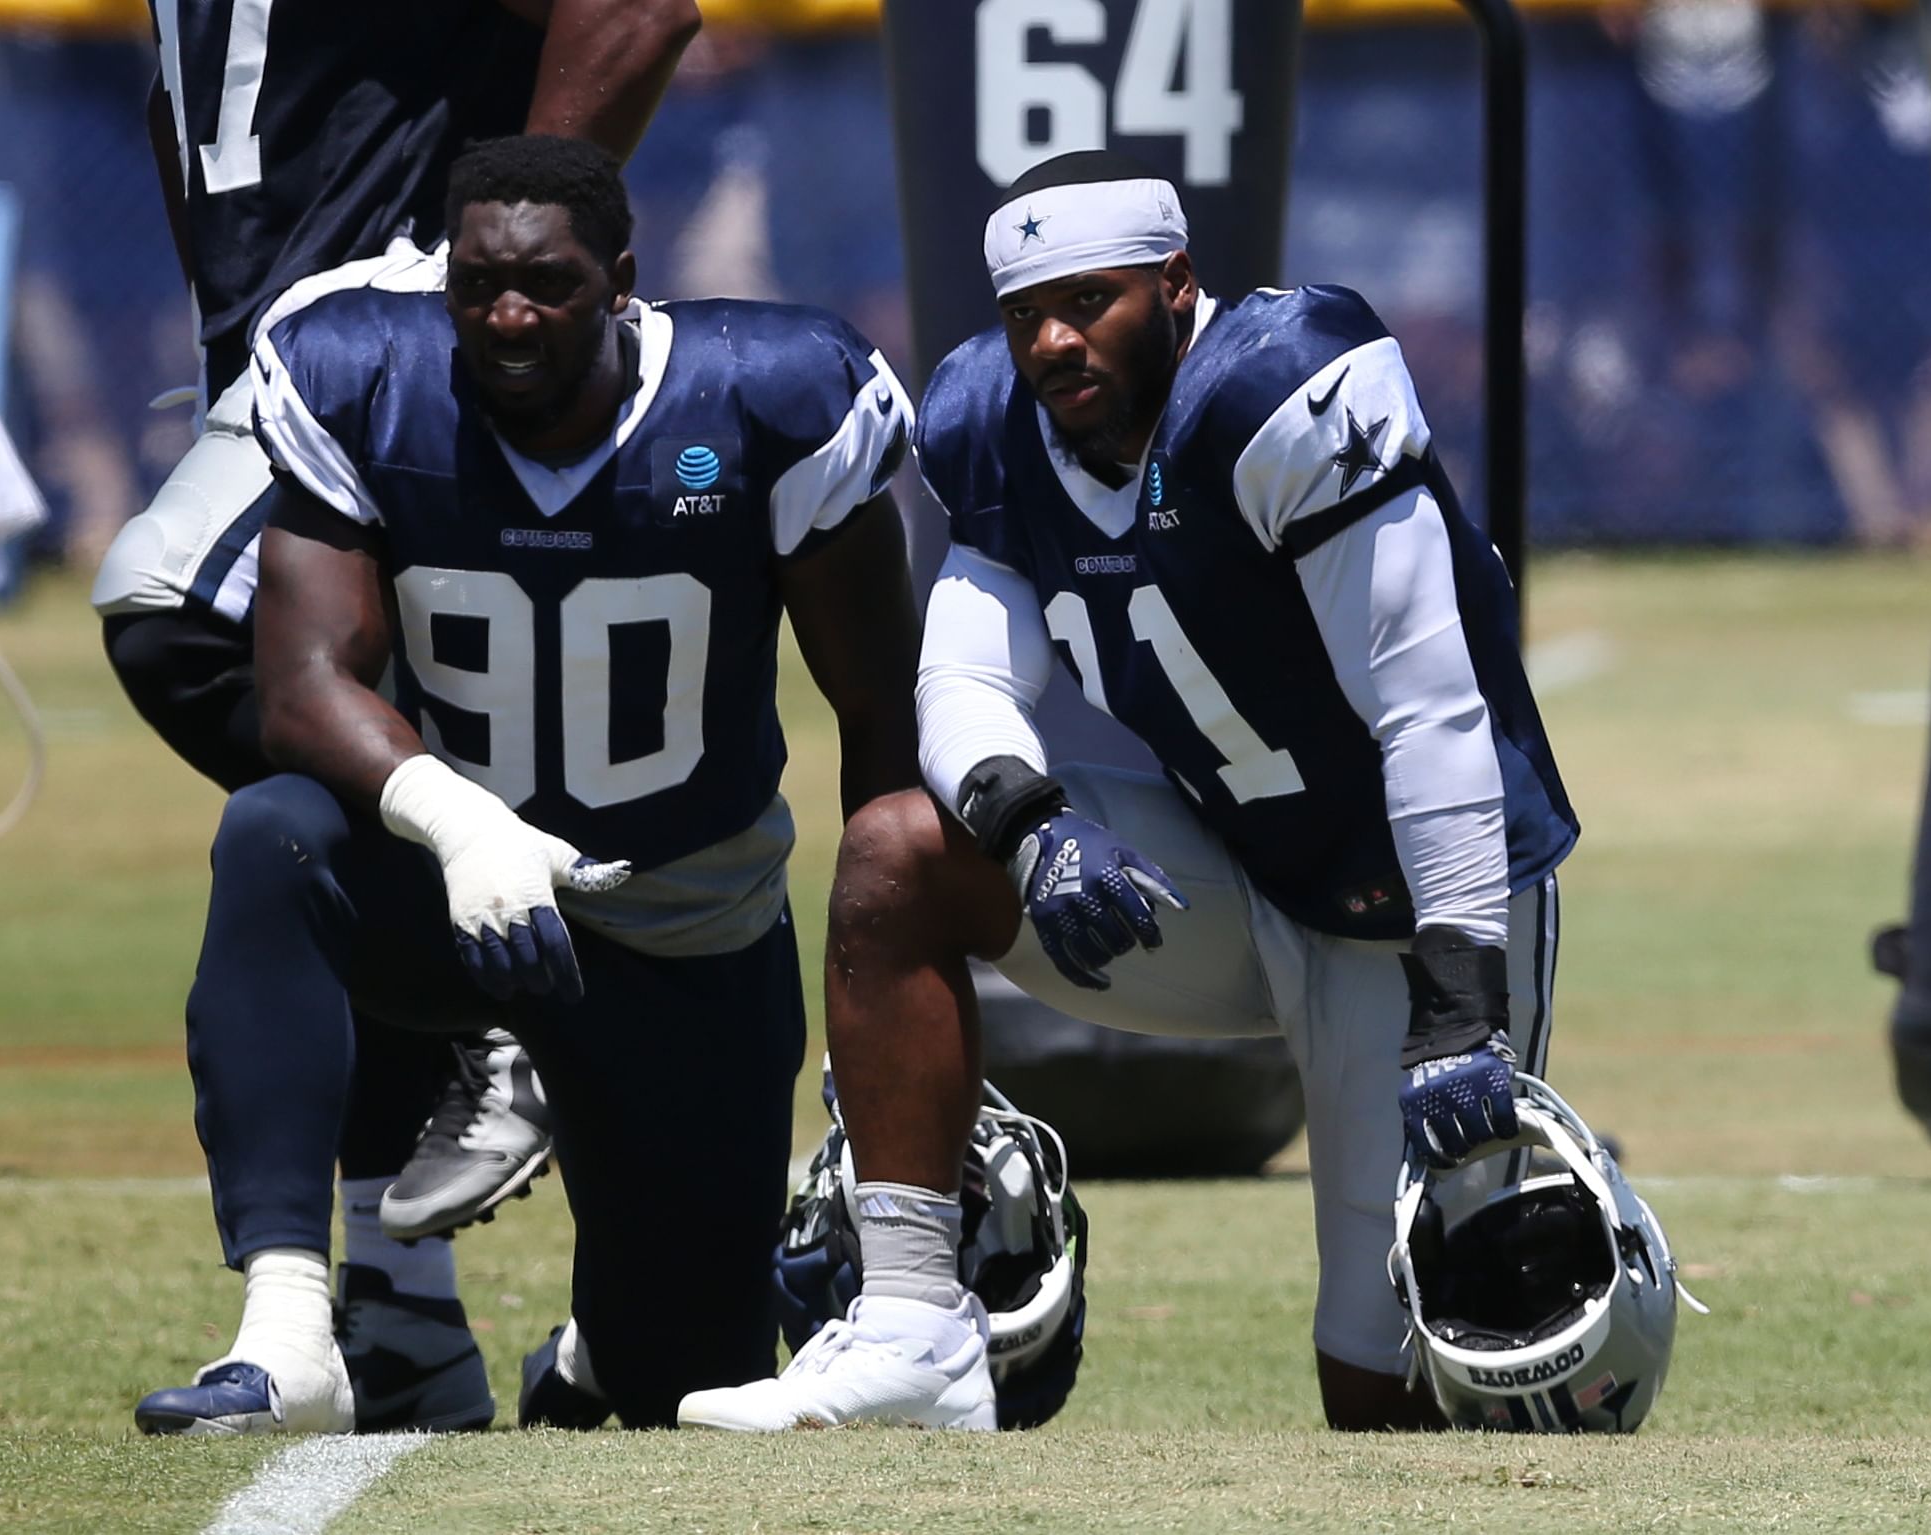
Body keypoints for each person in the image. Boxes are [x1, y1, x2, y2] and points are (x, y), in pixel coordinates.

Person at [677, 149, 1580, 1435]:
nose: (1051, 340)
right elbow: (964, 674)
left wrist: (1463, 997)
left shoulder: (1282, 387)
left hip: (1408, 900)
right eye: (1024, 313)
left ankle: (1567, 1343)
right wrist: (1032, 828)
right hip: (1226, 864)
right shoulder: (991, 418)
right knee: (897, 852)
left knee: (1382, 1393)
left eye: (1088, 300)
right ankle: (914, 1329)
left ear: (1173, 283)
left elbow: (1432, 712)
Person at [133, 133, 920, 1435]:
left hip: (684, 921)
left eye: (546, 286)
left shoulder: (769, 395)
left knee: (690, 1380)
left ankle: (597, 1348)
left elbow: (877, 708)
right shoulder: (362, 379)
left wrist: (888, 1015)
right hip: (459, 902)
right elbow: (300, 686)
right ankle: (287, 1336)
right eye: (478, 284)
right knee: (275, 834)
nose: (506, 316)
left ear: (619, 279)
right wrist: (460, 824)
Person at [88, 0, 701, 1431]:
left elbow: (636, 9)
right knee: (323, 817)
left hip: (389, 324)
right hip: (273, 343)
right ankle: (399, 1308)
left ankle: (505, 1004)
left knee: (169, 603)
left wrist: (465, 276)